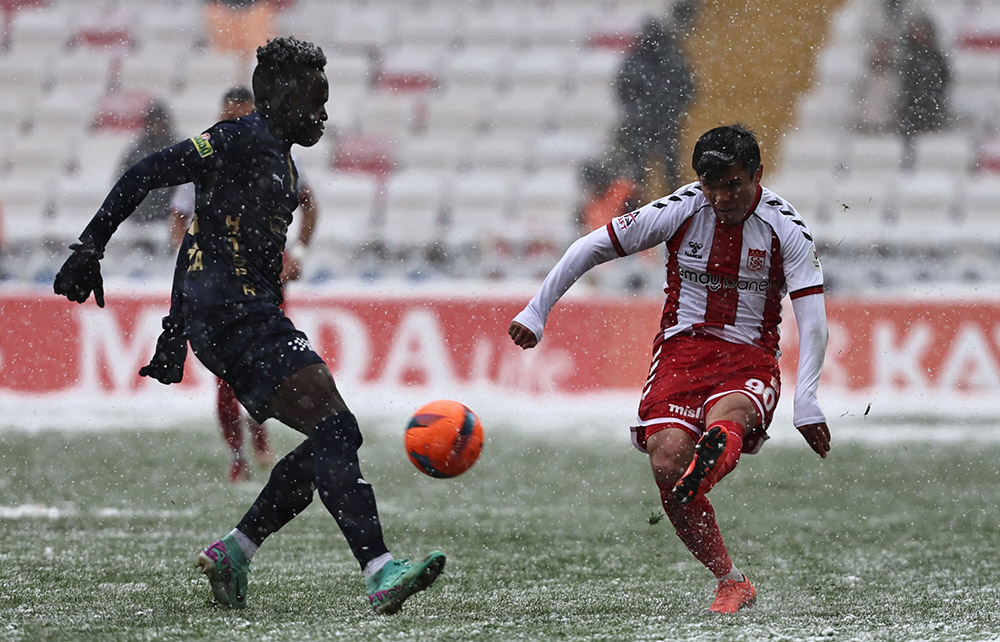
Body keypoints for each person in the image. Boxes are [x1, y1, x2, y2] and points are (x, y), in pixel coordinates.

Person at [53, 36, 444, 614]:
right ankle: (380, 571)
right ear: (283, 97)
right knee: (338, 430)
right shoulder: (236, 138)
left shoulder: (285, 163)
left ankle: (236, 550)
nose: (325, 114)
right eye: (316, 100)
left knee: (332, 435)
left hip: (245, 315)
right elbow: (146, 171)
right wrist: (91, 246)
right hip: (232, 316)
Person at [508, 125, 831, 614]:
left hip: (749, 356)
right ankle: (731, 579)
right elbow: (590, 247)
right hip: (682, 353)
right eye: (711, 184)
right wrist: (537, 309)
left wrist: (806, 398)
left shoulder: (785, 226)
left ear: (757, 175)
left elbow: (813, 317)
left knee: (733, 414)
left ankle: (712, 455)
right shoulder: (682, 208)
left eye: (733, 184)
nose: (721, 197)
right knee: (665, 462)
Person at [169, 85, 320, 483]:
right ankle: (238, 454)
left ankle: (258, 434)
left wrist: (299, 253)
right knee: (228, 374)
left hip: (264, 275)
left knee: (264, 364)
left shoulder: (279, 156)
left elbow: (309, 203)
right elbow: (178, 218)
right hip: (218, 282)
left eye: (243, 119)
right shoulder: (202, 157)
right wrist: (193, 258)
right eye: (229, 120)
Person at [614, 14, 695, 199]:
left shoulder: (672, 59)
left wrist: (671, 113)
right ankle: (635, 209)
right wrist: (637, 113)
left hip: (663, 125)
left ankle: (675, 206)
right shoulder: (637, 61)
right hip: (643, 126)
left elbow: (688, 89)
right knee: (637, 174)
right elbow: (623, 90)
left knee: (669, 173)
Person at [118, 100, 178, 255]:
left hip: (167, 219)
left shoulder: (178, 148)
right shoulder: (137, 150)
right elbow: (122, 180)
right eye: (153, 121)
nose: (156, 125)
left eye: (160, 121)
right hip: (140, 219)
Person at [895, 11, 950, 169]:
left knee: (930, 150)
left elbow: (944, 82)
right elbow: (902, 84)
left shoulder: (936, 57)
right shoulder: (907, 56)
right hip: (909, 109)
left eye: (923, 30)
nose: (920, 34)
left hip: (930, 108)